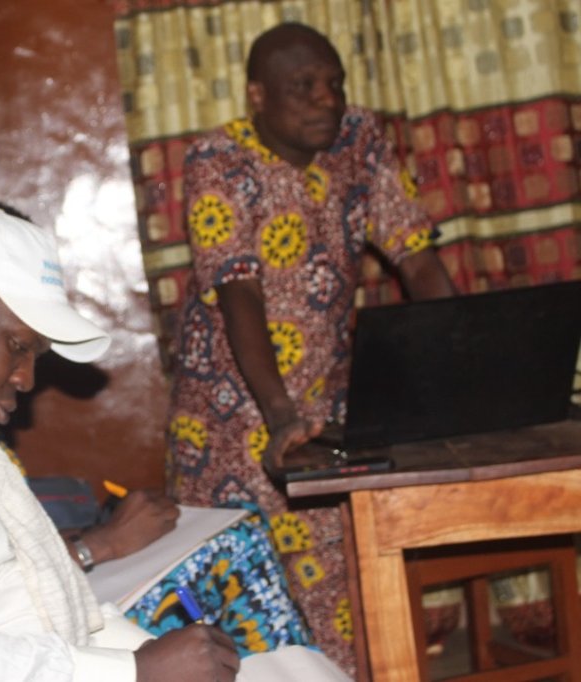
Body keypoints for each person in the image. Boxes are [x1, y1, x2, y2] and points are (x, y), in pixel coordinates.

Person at [0, 208, 350, 681]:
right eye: (18, 346)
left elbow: (54, 607)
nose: (27, 378)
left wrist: (145, 656)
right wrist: (136, 672)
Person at [166, 22, 456, 675]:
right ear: (257, 95)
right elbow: (238, 292)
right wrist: (280, 418)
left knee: (340, 604)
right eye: (304, 86)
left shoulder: (359, 142)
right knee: (246, 618)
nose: (327, 99)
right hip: (231, 425)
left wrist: (465, 368)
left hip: (323, 420)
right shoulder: (219, 159)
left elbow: (418, 258)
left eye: (334, 83)